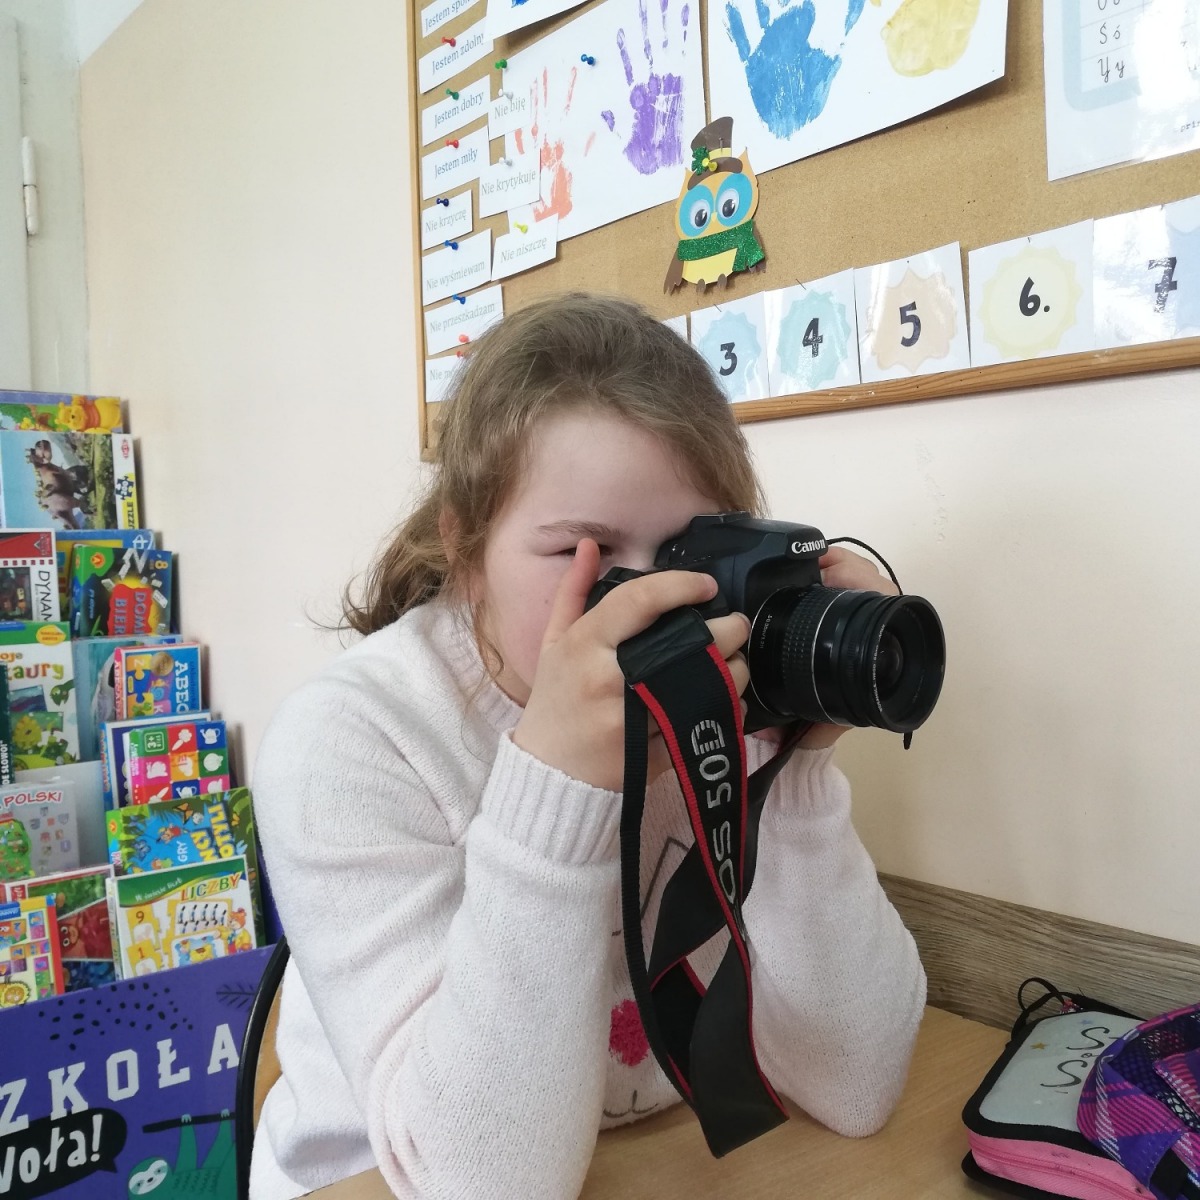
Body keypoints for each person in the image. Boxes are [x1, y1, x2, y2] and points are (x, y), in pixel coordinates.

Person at [250, 293, 927, 1200]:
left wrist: (795, 767)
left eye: (687, 553)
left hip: (644, 1152)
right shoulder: (349, 741)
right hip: (374, 1178)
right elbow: (483, 1186)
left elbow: (854, 1085)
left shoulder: (714, 688)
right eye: (586, 552)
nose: (645, 604)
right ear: (464, 547)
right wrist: (557, 784)